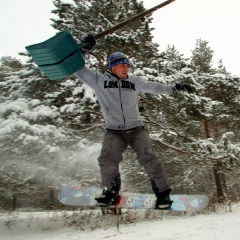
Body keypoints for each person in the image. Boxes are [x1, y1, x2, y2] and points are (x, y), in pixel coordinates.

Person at [74, 33, 193, 209]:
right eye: (122, 65)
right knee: (107, 159)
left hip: (137, 130)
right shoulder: (100, 81)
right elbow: (78, 68)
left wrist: (175, 88)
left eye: (127, 65)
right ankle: (111, 193)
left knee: (149, 158)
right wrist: (83, 50)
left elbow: (157, 87)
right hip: (114, 132)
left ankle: (163, 195)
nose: (126, 68)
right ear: (113, 67)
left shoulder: (135, 82)